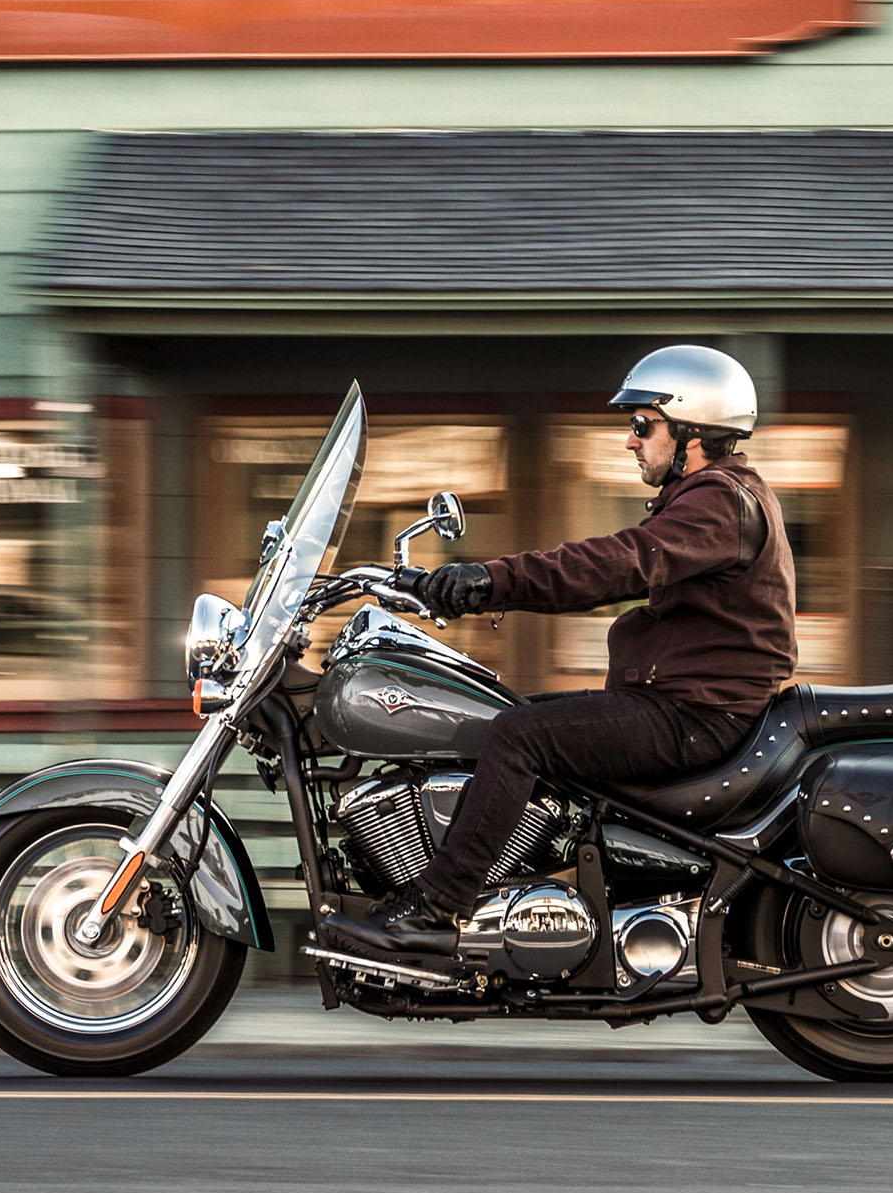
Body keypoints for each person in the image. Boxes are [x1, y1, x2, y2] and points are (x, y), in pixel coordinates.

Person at [321, 344, 798, 956]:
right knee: (492, 716)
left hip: (696, 716)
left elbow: (611, 564)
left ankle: (437, 911)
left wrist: (490, 580)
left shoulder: (719, 502)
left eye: (642, 425)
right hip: (678, 702)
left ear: (692, 432)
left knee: (518, 734)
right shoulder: (715, 498)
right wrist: (423, 585)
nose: (630, 441)